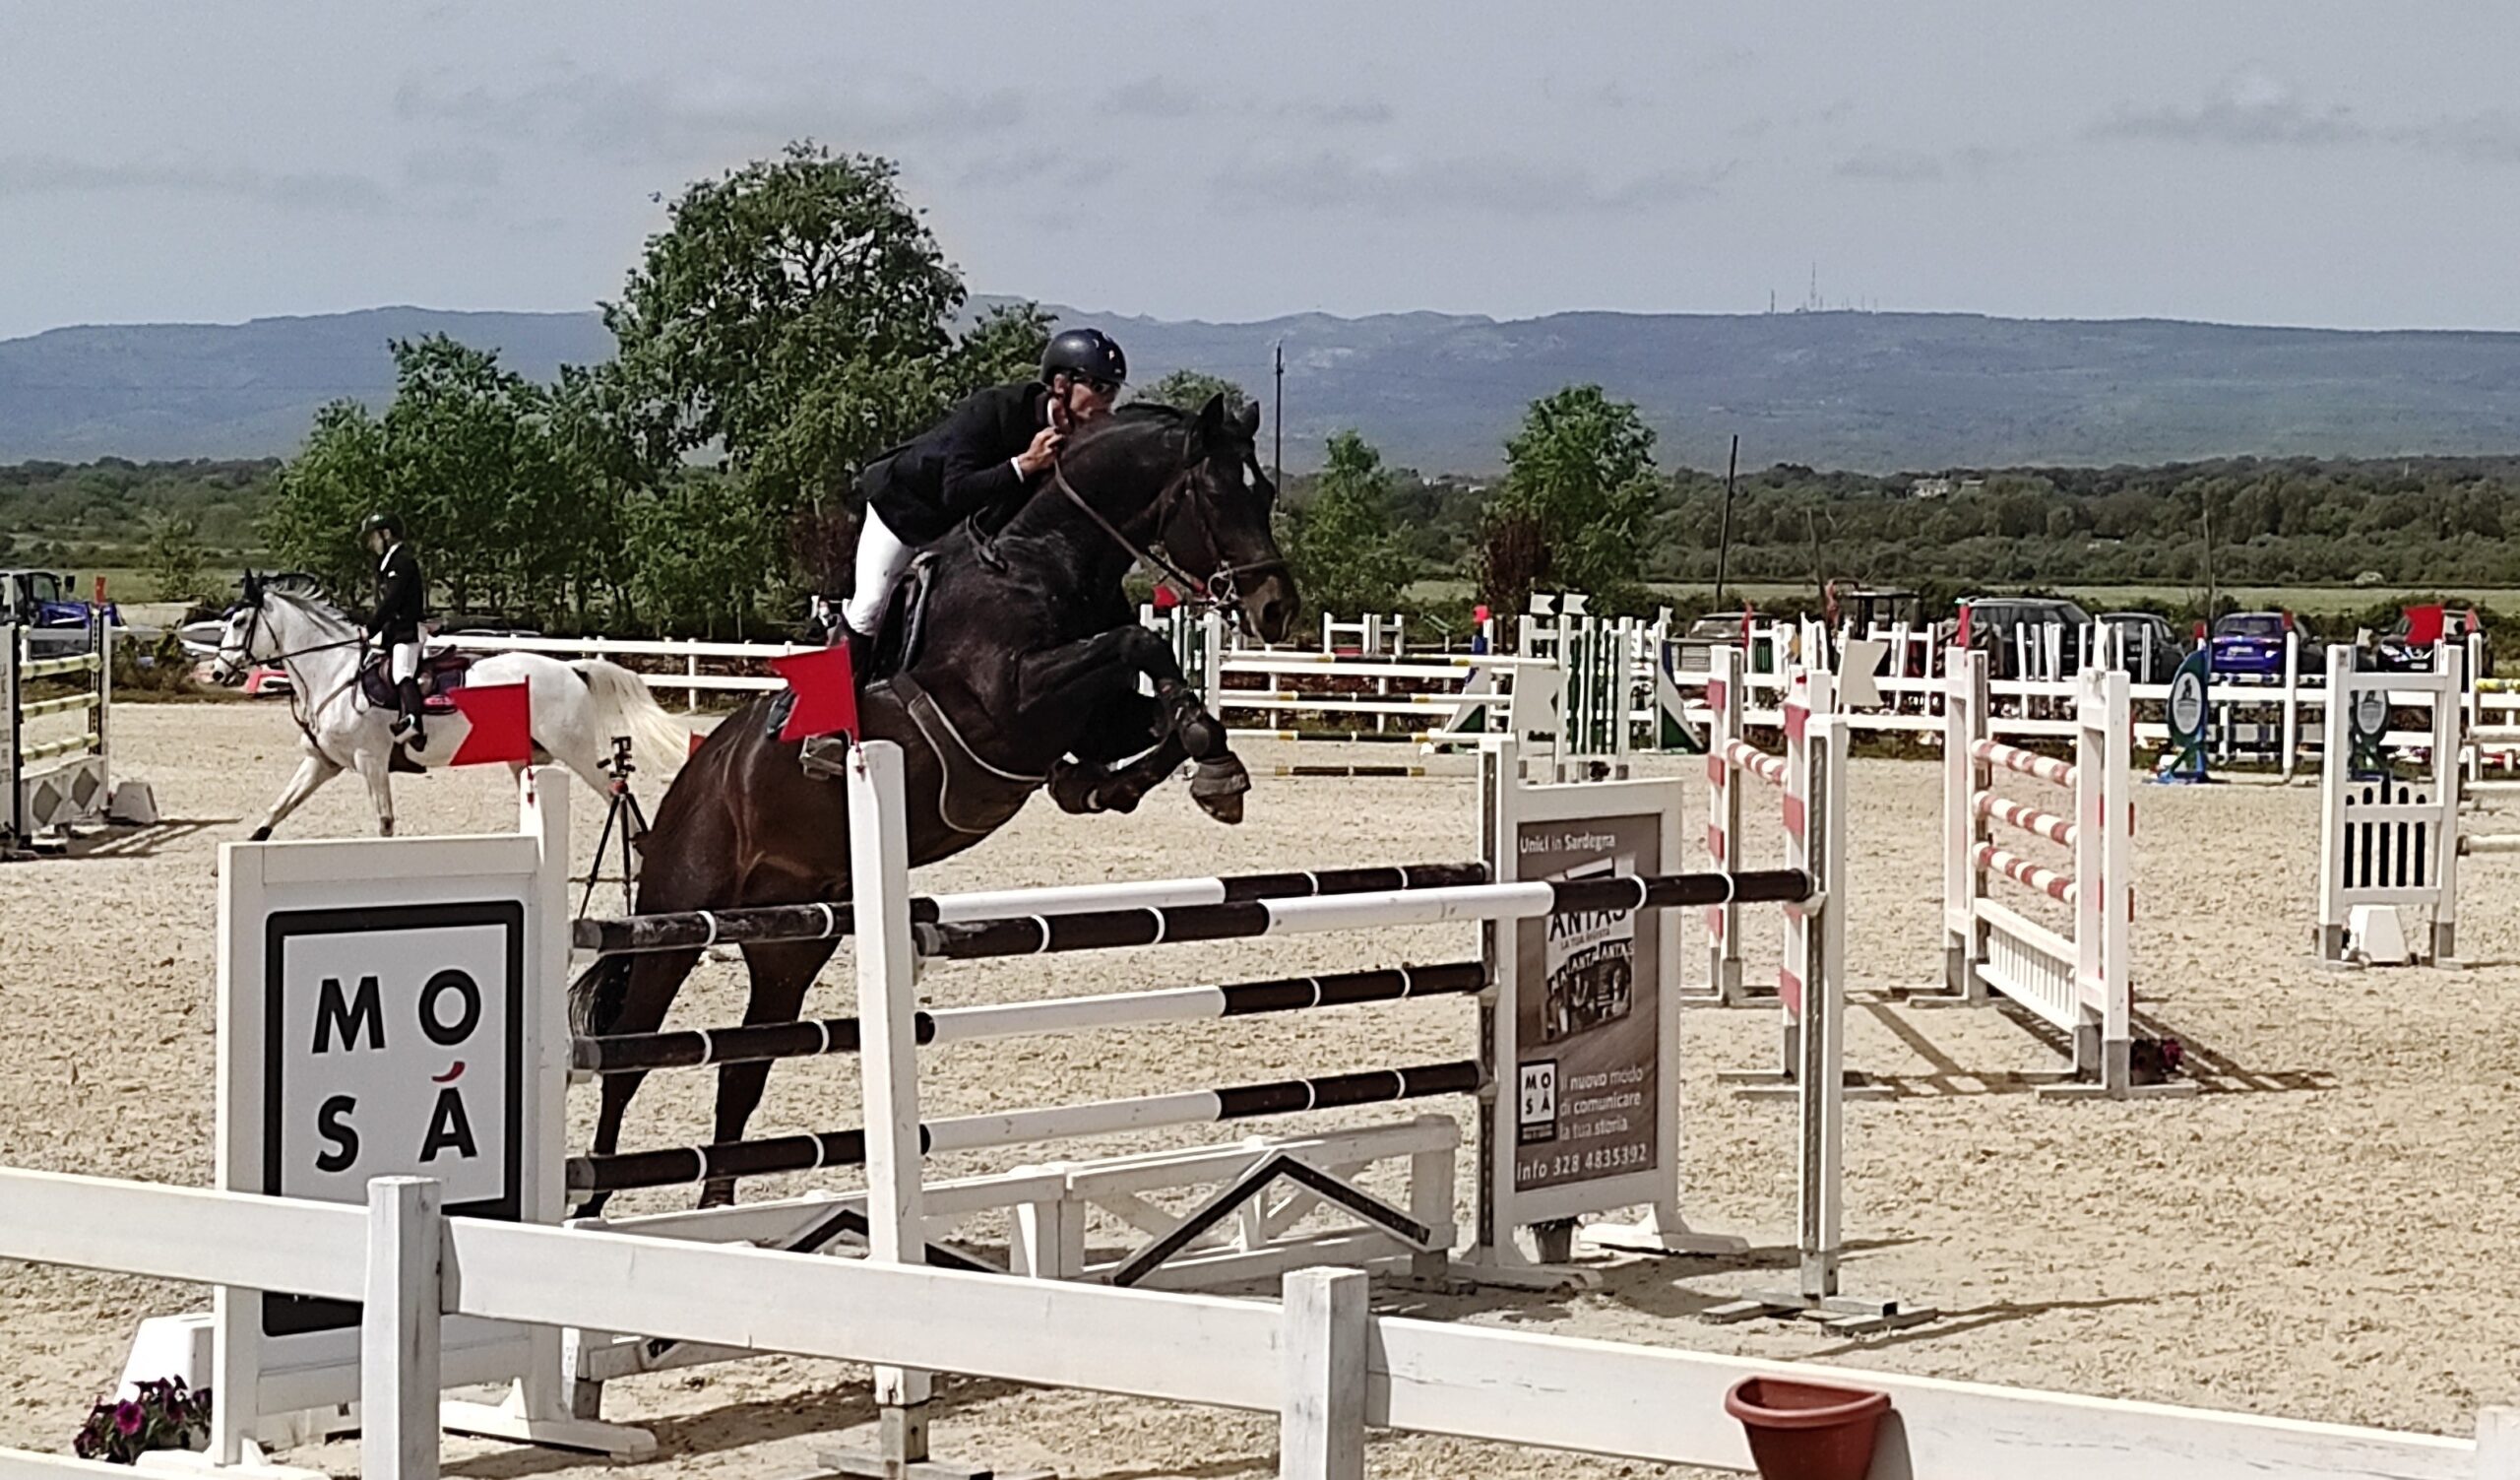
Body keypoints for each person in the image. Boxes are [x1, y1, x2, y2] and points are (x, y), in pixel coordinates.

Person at [843, 327, 1129, 665]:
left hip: (964, 532)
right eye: (1098, 387)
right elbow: (956, 491)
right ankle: (822, 705)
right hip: (906, 509)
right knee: (870, 606)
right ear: (1061, 385)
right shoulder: (995, 409)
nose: (1106, 402)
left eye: (1113, 390)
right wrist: (1025, 465)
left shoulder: (1079, 439)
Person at [360, 511, 429, 750]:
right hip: (393, 634)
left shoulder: (402, 562)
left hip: (407, 632)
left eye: (373, 537)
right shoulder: (387, 563)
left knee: (402, 672)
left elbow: (392, 602)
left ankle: (414, 723)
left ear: (386, 534)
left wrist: (370, 629)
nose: (371, 543)